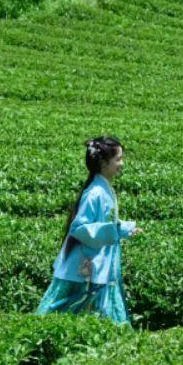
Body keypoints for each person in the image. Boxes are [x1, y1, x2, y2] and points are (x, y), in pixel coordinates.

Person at [37, 136, 141, 326]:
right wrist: (114, 231)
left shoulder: (103, 189)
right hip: (86, 262)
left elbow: (105, 223)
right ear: (103, 162)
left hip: (96, 262)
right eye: (118, 159)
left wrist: (124, 229)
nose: (122, 164)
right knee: (65, 308)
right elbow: (79, 228)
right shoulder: (95, 193)